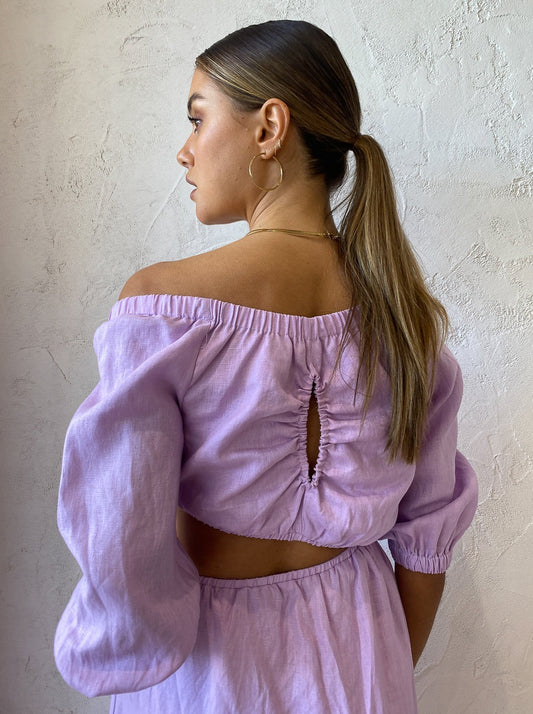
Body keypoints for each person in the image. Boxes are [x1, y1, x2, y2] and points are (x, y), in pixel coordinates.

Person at [54, 19, 477, 714]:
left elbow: (120, 532)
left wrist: (118, 649)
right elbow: (427, 540)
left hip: (208, 663)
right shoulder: (404, 318)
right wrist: (381, 673)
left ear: (269, 127)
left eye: (198, 119)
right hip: (362, 648)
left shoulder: (162, 310)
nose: (185, 151)